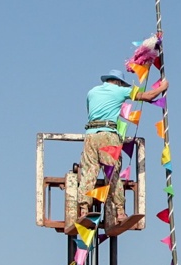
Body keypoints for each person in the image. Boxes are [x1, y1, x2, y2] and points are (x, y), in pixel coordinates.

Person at [71, 72, 166, 231]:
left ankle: (83, 210)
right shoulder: (119, 90)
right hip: (108, 136)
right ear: (118, 82)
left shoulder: (92, 92)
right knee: (112, 174)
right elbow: (148, 96)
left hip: (90, 136)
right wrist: (163, 87)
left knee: (88, 173)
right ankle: (120, 212)